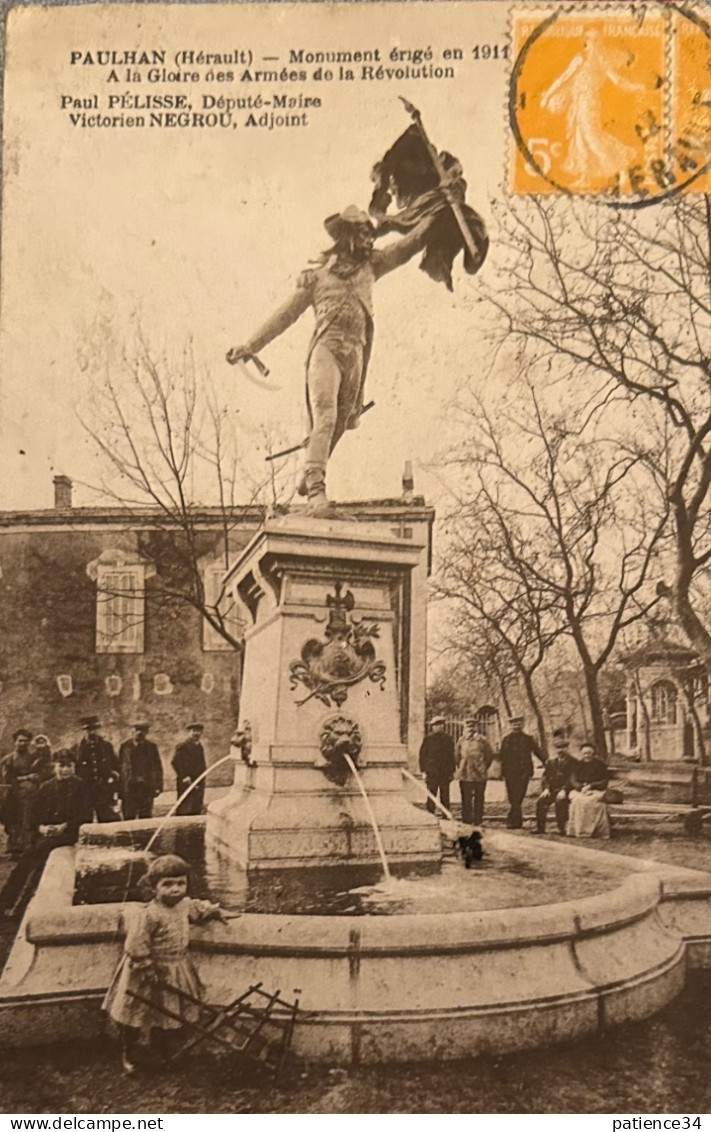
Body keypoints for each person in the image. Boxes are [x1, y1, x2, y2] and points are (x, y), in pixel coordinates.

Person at [226, 203, 450, 516]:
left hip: (356, 354)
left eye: (370, 234)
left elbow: (407, 246)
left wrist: (435, 214)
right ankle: (316, 487)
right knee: (326, 418)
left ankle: (310, 469)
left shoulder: (372, 265)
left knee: (341, 421)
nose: (369, 240)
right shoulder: (316, 278)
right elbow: (285, 314)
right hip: (326, 351)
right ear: (346, 236)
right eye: (362, 233)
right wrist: (250, 344)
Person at [102, 854, 223, 1073]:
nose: (175, 889)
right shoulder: (150, 914)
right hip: (148, 969)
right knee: (135, 1013)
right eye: (167, 884)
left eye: (180, 883)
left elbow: (197, 908)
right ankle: (129, 1052)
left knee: (168, 1011)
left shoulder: (184, 905)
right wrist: (147, 967)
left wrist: (214, 911)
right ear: (154, 888)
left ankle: (163, 1049)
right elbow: (136, 944)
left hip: (176, 966)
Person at [0, 749, 92, 916]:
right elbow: (33, 816)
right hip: (46, 834)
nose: (65, 770)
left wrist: (65, 826)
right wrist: (41, 828)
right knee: (25, 860)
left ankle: (23, 906)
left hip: (68, 834)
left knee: (40, 858)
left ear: (74, 767)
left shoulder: (81, 786)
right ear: (54, 767)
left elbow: (85, 816)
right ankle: (5, 902)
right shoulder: (46, 787)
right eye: (61, 766)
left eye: (69, 766)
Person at [0, 729, 45, 857]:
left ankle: (28, 848)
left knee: (29, 819)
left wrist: (35, 778)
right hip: (12, 795)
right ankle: (15, 848)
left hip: (31, 795)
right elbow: (8, 778)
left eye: (25, 741)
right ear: (15, 742)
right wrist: (26, 777)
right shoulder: (8, 759)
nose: (22, 744)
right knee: (13, 820)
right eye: (20, 741)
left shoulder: (35, 758)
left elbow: (41, 773)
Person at [499, 716, 546, 830]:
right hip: (510, 772)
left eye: (519, 724)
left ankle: (513, 820)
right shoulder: (506, 739)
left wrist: (546, 762)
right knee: (512, 796)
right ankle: (515, 820)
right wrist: (501, 772)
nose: (516, 726)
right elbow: (502, 756)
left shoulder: (529, 739)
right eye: (514, 724)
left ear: (523, 725)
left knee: (519, 795)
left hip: (523, 771)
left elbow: (537, 751)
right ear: (511, 726)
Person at [73, 716, 120, 822]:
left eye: (94, 729)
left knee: (108, 819)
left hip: (103, 789)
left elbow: (116, 766)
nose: (92, 732)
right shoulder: (77, 749)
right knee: (84, 819)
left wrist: (113, 781)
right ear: (83, 731)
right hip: (85, 790)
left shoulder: (106, 746)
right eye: (88, 729)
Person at [534, 727, 576, 835]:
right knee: (541, 802)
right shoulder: (551, 762)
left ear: (567, 748)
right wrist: (546, 789)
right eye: (558, 748)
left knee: (560, 802)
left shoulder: (574, 762)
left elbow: (573, 778)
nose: (560, 750)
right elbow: (546, 777)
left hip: (567, 790)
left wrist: (564, 790)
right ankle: (540, 828)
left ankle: (561, 828)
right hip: (552, 790)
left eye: (563, 747)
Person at [118, 723, 164, 820]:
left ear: (146, 732)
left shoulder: (151, 747)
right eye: (136, 730)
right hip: (129, 788)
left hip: (145, 788)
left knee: (146, 817)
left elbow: (157, 767)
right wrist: (119, 788)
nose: (139, 733)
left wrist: (158, 786)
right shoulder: (125, 746)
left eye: (142, 730)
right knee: (128, 817)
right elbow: (120, 767)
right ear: (132, 731)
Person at [567, 742, 611, 839]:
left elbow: (604, 781)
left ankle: (595, 831)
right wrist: (581, 788)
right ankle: (578, 830)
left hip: (596, 790)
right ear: (581, 754)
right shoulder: (577, 765)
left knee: (592, 802)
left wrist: (591, 786)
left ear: (593, 753)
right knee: (578, 801)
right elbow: (573, 779)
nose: (586, 756)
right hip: (580, 791)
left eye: (589, 753)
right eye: (584, 753)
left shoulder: (600, 765)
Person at [455, 717, 493, 826]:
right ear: (465, 727)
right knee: (466, 797)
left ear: (476, 727)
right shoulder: (461, 740)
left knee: (479, 797)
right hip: (465, 774)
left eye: (473, 726)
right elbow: (457, 756)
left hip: (479, 774)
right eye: (468, 726)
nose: (470, 728)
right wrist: (462, 766)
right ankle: (466, 820)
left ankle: (478, 820)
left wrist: (483, 767)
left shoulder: (483, 740)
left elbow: (489, 756)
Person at [418, 716, 455, 816]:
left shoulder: (448, 739)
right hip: (432, 772)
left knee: (445, 795)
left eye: (441, 725)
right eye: (437, 725)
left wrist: (452, 771)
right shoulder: (428, 739)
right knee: (431, 794)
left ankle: (445, 813)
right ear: (432, 727)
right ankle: (430, 813)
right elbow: (422, 756)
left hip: (444, 772)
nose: (439, 727)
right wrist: (423, 771)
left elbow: (451, 756)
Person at [172, 724, 207, 816]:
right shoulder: (182, 746)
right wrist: (184, 776)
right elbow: (175, 762)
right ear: (189, 732)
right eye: (194, 731)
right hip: (186, 781)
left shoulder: (199, 746)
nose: (196, 733)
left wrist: (201, 778)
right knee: (185, 805)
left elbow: (201, 764)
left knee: (196, 806)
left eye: (199, 731)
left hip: (198, 781)